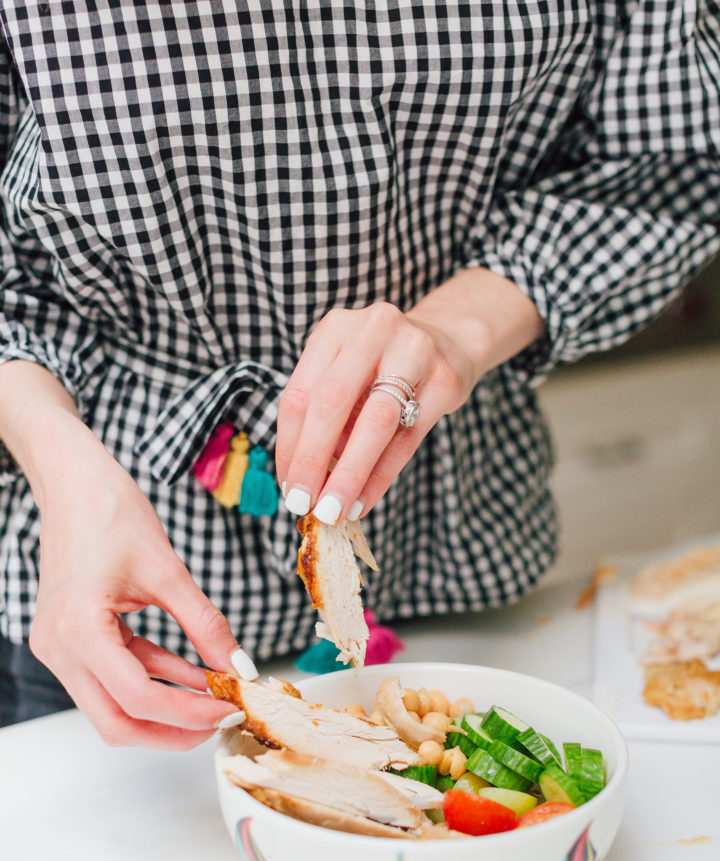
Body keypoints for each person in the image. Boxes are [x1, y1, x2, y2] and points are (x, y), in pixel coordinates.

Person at [1, 2, 718, 743]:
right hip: (112, 600)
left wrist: (453, 332)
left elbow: (673, 158)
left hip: (453, 551)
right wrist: (62, 469)